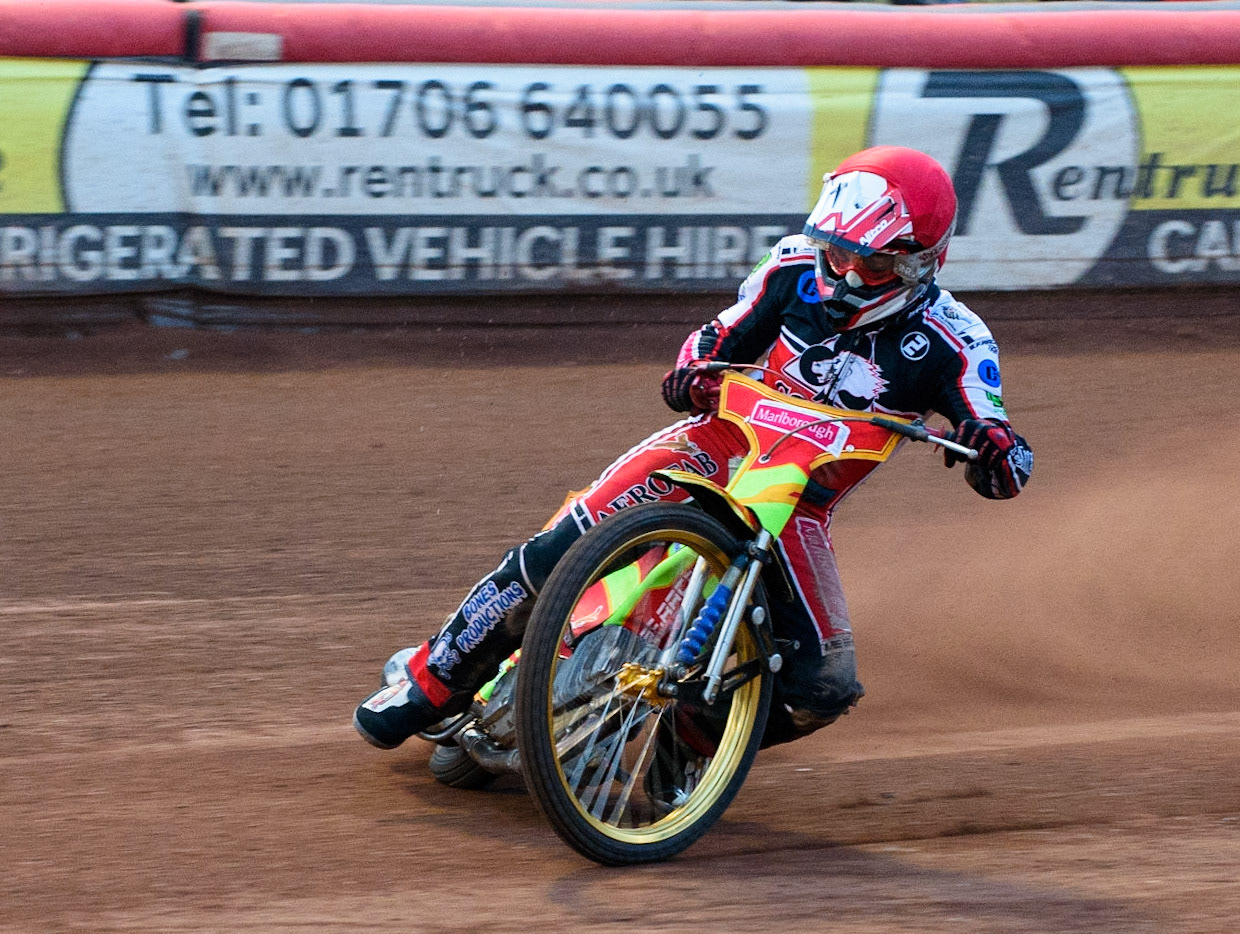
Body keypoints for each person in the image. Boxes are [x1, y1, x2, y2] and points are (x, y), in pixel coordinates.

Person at [355, 145, 1033, 751]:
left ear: (920, 261)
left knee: (821, 687)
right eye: (836, 251)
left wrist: (993, 449)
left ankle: (682, 754)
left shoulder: (956, 339)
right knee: (557, 547)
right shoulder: (792, 265)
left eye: (871, 262)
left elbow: (1002, 456)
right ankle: (425, 684)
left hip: (796, 510)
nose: (845, 273)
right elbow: (717, 338)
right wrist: (691, 371)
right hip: (710, 447)